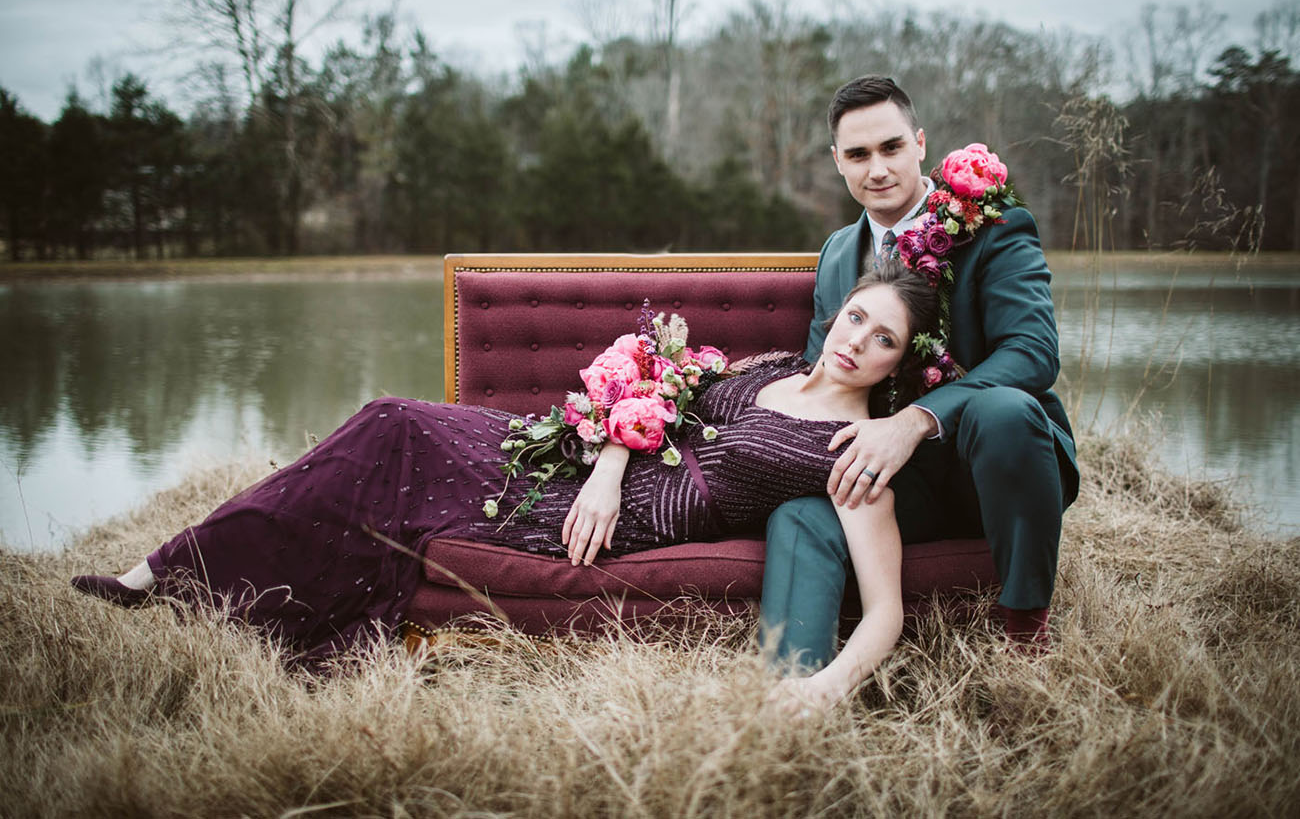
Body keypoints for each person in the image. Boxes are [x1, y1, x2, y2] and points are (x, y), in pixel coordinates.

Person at [73, 263, 942, 682]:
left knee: (387, 453)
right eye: (858, 315)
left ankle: (184, 582)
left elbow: (887, 614)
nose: (856, 339)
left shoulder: (860, 456)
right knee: (390, 422)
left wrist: (820, 695)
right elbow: (665, 395)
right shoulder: (773, 368)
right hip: (581, 473)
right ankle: (163, 569)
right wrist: (607, 464)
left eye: (883, 339)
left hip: (621, 523)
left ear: (899, 364)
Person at [760, 75, 1080, 697]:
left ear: (920, 144)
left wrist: (914, 422)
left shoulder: (994, 226)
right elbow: (819, 368)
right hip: (895, 484)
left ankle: (1024, 636)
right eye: (857, 155)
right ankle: (791, 695)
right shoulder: (835, 253)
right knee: (801, 515)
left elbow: (1033, 352)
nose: (877, 169)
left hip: (993, 461)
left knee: (1005, 410)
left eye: (890, 147)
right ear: (837, 162)